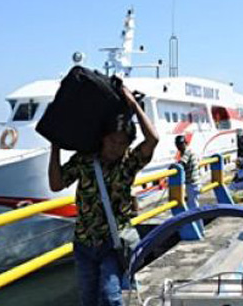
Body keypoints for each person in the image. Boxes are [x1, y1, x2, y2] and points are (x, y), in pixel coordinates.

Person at [48, 86, 159, 306]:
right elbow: (56, 184)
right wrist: (55, 147)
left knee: (110, 297)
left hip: (113, 243)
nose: (115, 147)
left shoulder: (129, 163)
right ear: (103, 138)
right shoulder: (85, 160)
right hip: (84, 243)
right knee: (88, 299)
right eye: (112, 141)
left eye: (122, 143)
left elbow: (153, 139)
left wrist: (134, 105)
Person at [175, 134, 204, 232]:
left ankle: (199, 230)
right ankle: (199, 229)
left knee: (193, 209)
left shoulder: (186, 152)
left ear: (184, 144)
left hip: (192, 184)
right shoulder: (192, 151)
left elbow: (181, 164)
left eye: (180, 144)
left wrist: (172, 168)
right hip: (196, 183)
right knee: (194, 207)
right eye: (177, 145)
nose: (179, 147)